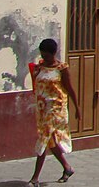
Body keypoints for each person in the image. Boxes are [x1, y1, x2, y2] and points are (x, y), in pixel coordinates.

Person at [28, 39, 80, 186]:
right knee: (50, 140)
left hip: (56, 108)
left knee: (44, 138)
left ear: (54, 53)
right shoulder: (39, 67)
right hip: (42, 108)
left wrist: (77, 107)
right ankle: (67, 168)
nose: (45, 58)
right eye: (43, 55)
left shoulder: (61, 68)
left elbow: (69, 88)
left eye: (47, 56)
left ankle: (35, 178)